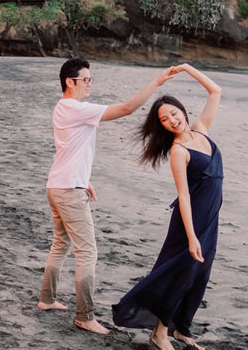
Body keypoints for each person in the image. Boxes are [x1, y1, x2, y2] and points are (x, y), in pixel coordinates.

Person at [38, 58, 178, 335]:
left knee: (60, 244)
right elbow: (126, 109)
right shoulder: (76, 108)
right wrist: (157, 83)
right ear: (71, 82)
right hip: (68, 189)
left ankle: (47, 299)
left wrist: (84, 180)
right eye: (86, 79)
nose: (90, 84)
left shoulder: (62, 108)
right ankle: (85, 316)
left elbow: (67, 148)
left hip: (58, 184)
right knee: (87, 251)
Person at [111, 63, 223, 350]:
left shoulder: (201, 131)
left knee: (201, 275)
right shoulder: (178, 151)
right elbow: (184, 195)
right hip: (191, 221)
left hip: (210, 218)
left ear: (183, 112)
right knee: (180, 274)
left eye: (174, 113)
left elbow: (215, 91)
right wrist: (191, 237)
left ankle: (180, 329)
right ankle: (159, 333)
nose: (171, 120)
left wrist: (187, 68)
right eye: (164, 119)